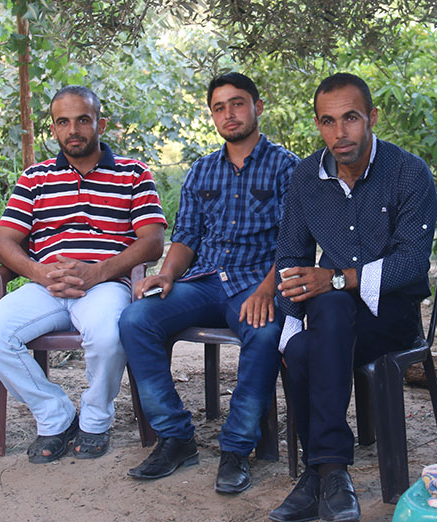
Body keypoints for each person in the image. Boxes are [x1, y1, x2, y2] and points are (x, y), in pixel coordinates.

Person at [271, 73, 437, 522]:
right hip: (333, 319)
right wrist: (289, 327)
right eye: (328, 121)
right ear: (318, 124)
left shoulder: (408, 172)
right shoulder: (306, 177)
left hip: (391, 315)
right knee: (301, 343)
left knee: (327, 306)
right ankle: (331, 473)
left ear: (372, 118)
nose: (339, 132)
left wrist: (337, 279)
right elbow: (291, 255)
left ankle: (320, 475)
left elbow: (411, 264)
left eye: (350, 118)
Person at [120, 72, 298, 494]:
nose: (228, 114)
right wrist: (166, 274)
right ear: (212, 115)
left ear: (257, 106)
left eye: (237, 103)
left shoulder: (287, 167)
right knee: (135, 319)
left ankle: (236, 448)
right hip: (204, 281)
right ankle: (175, 437)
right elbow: (186, 237)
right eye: (219, 107)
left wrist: (268, 289)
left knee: (265, 331)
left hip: (256, 283)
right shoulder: (202, 170)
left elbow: (294, 242)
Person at [0, 86, 166, 464]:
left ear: (100, 124)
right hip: (47, 284)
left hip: (105, 284)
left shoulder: (133, 173)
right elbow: (3, 243)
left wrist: (98, 273)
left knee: (109, 335)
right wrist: (39, 272)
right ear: (53, 129)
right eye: (63, 122)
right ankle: (55, 415)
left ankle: (95, 420)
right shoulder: (35, 177)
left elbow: (153, 242)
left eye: (82, 120)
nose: (73, 130)